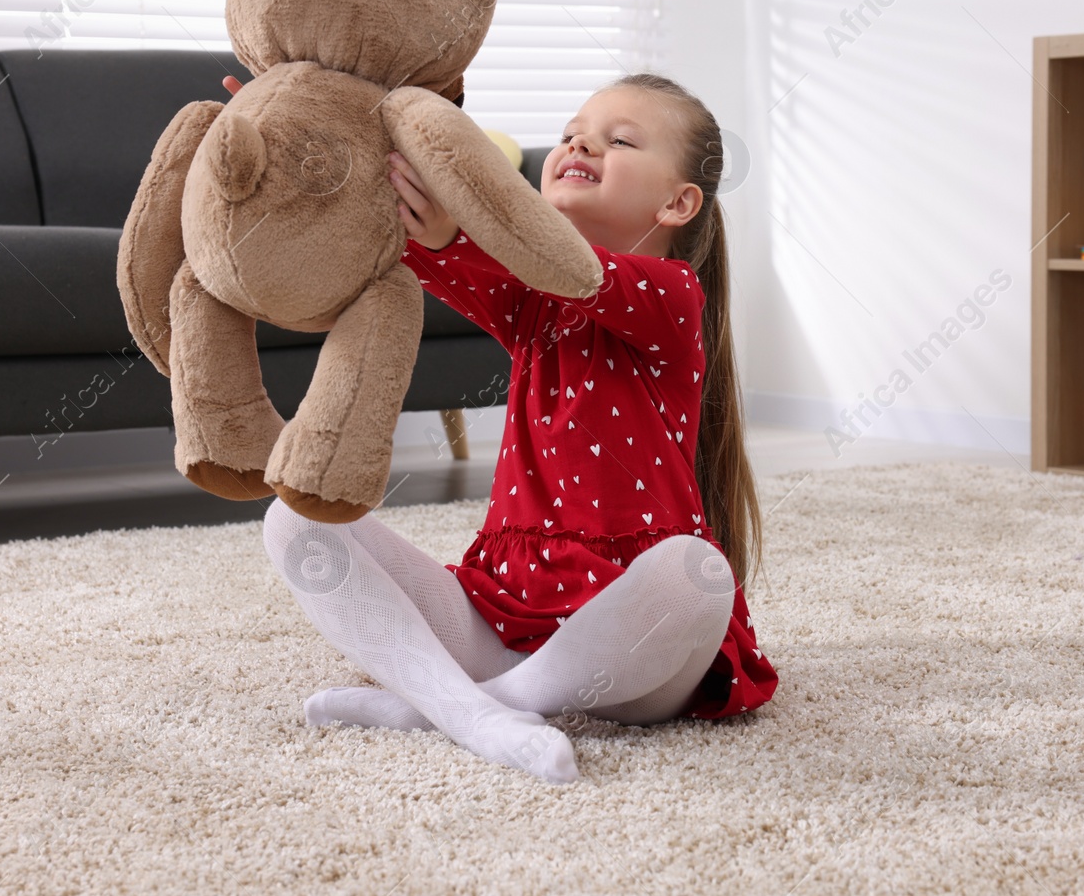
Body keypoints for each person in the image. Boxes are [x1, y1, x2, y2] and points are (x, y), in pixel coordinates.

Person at [258, 73, 778, 784]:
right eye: (572, 131)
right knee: (294, 521)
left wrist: (464, 215)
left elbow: (558, 263)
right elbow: (403, 235)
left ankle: (447, 705)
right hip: (507, 618)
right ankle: (475, 710)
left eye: (620, 139)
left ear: (678, 202)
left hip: (635, 657)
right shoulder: (534, 306)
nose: (579, 141)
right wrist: (302, 131)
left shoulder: (672, 295)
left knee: (697, 574)